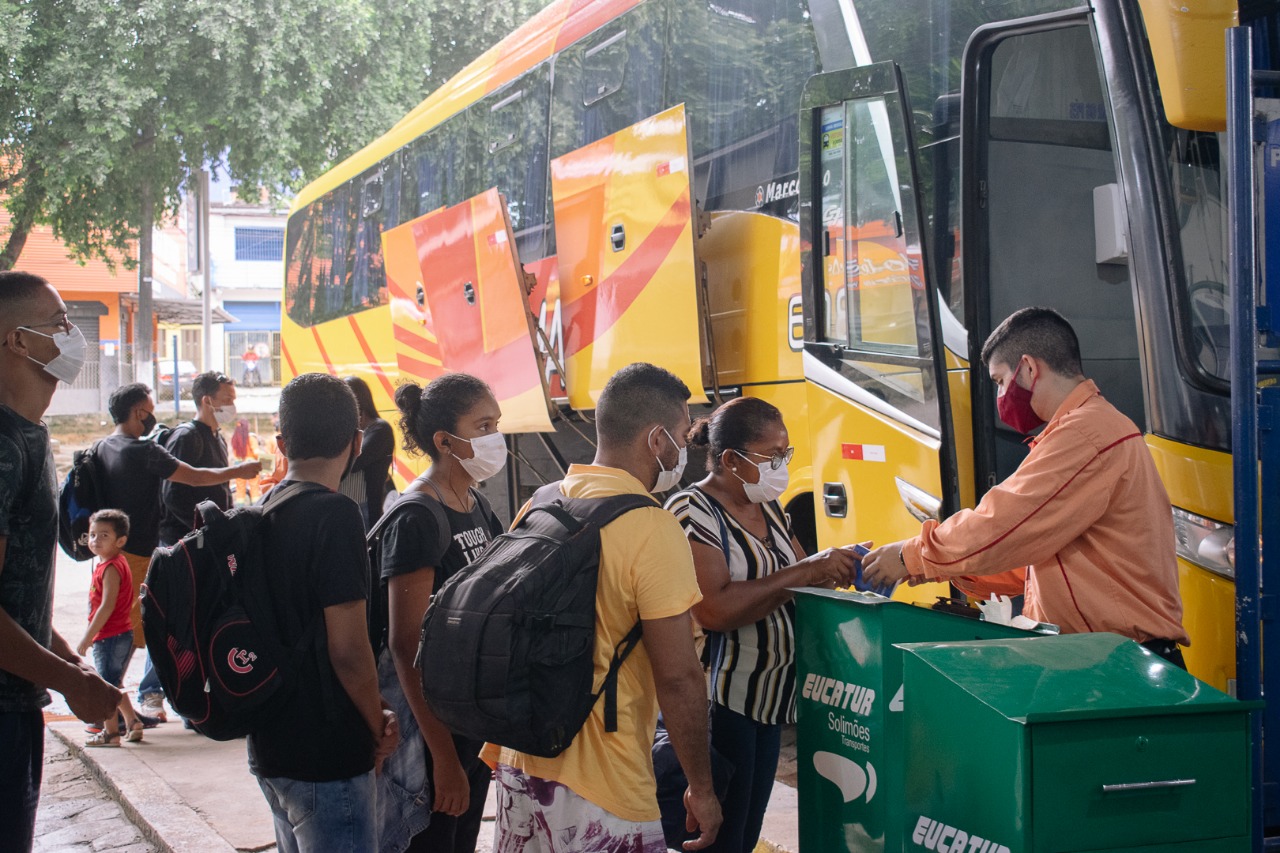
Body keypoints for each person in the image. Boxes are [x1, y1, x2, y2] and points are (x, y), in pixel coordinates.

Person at [481, 362, 723, 852]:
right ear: (656, 439)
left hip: (521, 767)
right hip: (606, 787)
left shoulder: (543, 503)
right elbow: (678, 678)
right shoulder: (653, 528)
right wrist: (702, 787)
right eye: (681, 434)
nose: (683, 449)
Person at [861, 307, 1189, 665]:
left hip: (1121, 663)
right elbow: (1035, 554)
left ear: (1029, 368)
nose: (1000, 395)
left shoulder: (1085, 434)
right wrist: (947, 567)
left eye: (1000, 381)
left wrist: (914, 556)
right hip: (1108, 656)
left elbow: (1001, 524)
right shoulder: (1092, 428)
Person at [665, 398, 856, 852]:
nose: (782, 465)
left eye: (785, 454)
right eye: (773, 455)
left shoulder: (767, 505)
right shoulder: (693, 511)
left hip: (772, 700)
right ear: (730, 459)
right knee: (719, 838)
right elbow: (714, 609)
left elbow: (796, 572)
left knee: (745, 832)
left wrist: (838, 566)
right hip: (725, 701)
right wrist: (807, 571)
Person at [249, 372, 398, 852]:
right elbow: (350, 651)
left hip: (272, 748)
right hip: (328, 754)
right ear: (356, 443)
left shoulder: (266, 506)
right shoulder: (336, 515)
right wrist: (378, 723)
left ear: (280, 442)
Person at [0, 271, 121, 851]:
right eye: (58, 324)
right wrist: (71, 682)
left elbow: (13, 594)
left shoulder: (29, 435)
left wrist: (65, 655)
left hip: (17, 706)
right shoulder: (1, 447)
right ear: (17, 342)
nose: (73, 335)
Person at [376, 373, 506, 853]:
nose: (496, 437)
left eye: (497, 423)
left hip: (471, 727)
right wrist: (444, 758)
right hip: (432, 739)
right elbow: (405, 645)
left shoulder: (476, 505)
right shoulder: (416, 517)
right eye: (483, 425)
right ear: (444, 440)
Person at [94, 381, 259, 722]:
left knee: (122, 630)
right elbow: (193, 480)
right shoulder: (152, 447)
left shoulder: (104, 446)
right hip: (147, 551)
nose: (154, 416)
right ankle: (126, 705)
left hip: (115, 550)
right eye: (150, 409)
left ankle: (118, 711)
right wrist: (239, 474)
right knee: (147, 627)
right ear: (140, 412)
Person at [75, 509, 146, 747]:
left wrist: (88, 637)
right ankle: (133, 722)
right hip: (118, 634)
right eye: (92, 534)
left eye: (104, 535)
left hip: (110, 637)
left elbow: (107, 606)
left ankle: (111, 735)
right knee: (113, 683)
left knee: (105, 687)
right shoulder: (114, 562)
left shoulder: (111, 568)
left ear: (121, 541)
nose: (95, 540)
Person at [338, 376, 394, 530]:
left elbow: (355, 462)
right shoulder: (351, 428)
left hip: (365, 507)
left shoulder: (380, 429)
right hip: (346, 503)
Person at [230, 418, 261, 506]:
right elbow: (256, 452)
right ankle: (256, 506)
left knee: (240, 488)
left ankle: (240, 508)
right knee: (254, 486)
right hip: (251, 465)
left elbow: (235, 453)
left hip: (238, 465)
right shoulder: (250, 438)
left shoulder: (234, 439)